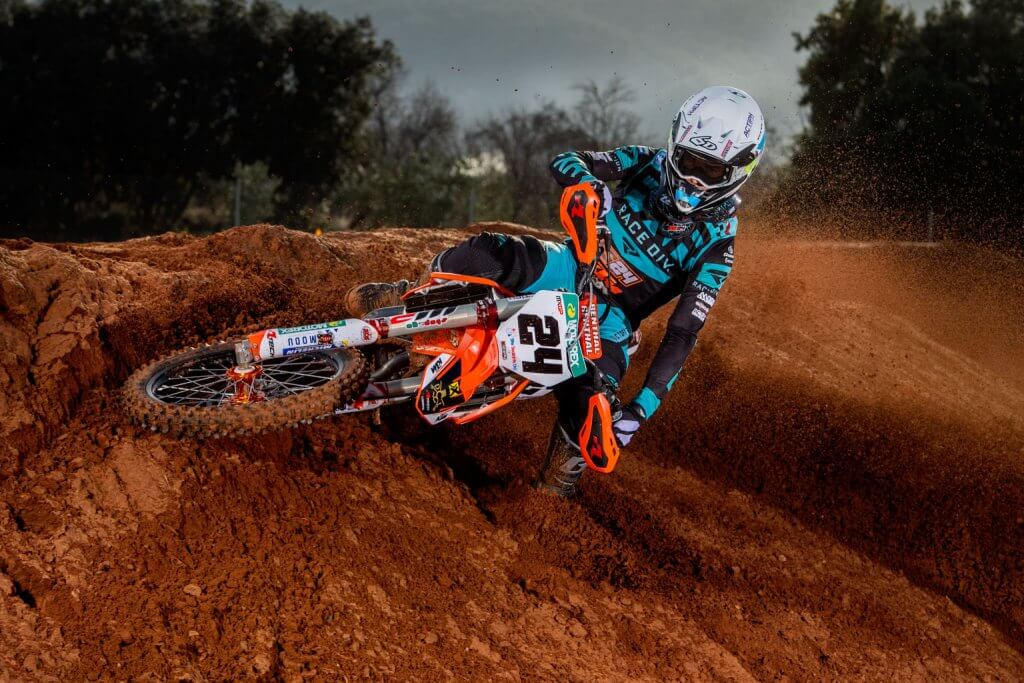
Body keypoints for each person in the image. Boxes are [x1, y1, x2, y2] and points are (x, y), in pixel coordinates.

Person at [346, 85, 766, 497]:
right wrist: (587, 182)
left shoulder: (718, 245)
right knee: (489, 251)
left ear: (738, 172)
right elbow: (566, 160)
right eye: (689, 160)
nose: (693, 177)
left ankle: (552, 492)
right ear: (675, 145)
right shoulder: (646, 162)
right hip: (570, 264)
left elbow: (683, 333)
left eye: (710, 170)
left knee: (594, 405)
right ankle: (406, 297)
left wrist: (640, 410)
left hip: (610, 321)